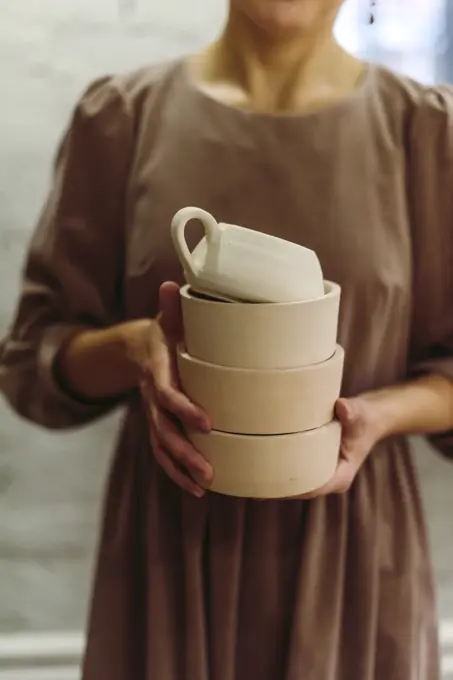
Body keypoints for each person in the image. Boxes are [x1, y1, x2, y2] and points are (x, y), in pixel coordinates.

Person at [1, 0, 453, 677]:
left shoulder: (426, 132)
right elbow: (33, 363)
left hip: (353, 558)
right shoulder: (122, 116)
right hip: (167, 555)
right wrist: (134, 347)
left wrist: (376, 417)